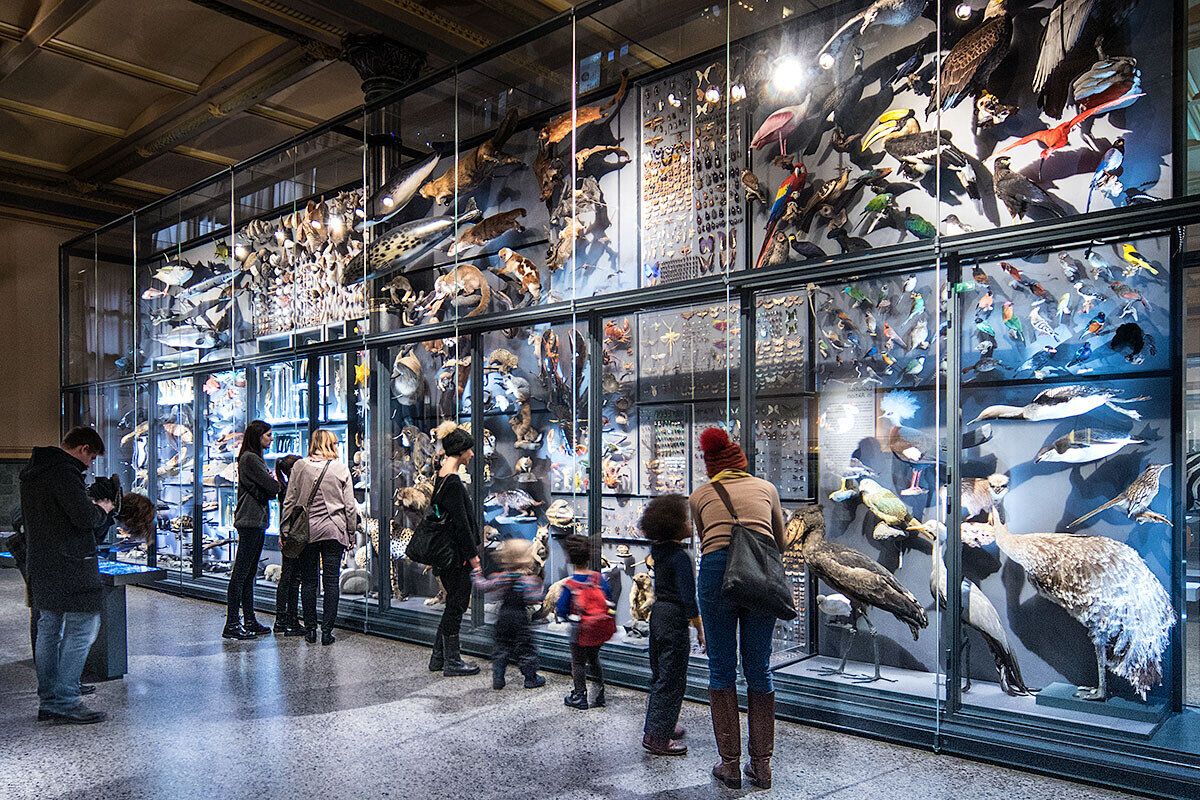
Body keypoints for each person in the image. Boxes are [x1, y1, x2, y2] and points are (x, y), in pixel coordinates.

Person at [689, 427, 787, 790]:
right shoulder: (767, 489)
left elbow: (705, 540)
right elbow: (780, 540)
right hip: (759, 571)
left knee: (721, 668)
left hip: (716, 571)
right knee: (759, 666)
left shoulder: (700, 495)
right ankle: (761, 767)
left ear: (711, 466)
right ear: (741, 463)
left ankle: (729, 765)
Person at [20, 426, 115, 724]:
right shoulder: (64, 473)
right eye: (92, 458)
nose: (90, 465)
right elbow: (83, 517)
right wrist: (102, 508)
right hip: (71, 566)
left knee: (48, 628)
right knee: (83, 628)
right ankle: (66, 699)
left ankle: (49, 699)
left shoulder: (34, 471)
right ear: (83, 448)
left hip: (43, 564)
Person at [641, 494, 705, 756]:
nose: (691, 524)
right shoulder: (681, 557)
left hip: (658, 614)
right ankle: (658, 737)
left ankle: (660, 725)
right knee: (673, 677)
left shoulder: (659, 550)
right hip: (674, 617)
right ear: (675, 525)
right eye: (686, 520)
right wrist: (700, 627)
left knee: (660, 674)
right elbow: (689, 598)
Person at [283, 430, 356, 646]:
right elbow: (349, 506)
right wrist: (351, 532)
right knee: (331, 581)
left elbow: (290, 499)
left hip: (307, 532)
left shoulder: (300, 466)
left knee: (309, 581)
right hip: (334, 530)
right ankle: (327, 632)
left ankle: (310, 630)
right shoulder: (341, 469)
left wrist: (285, 528)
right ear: (332, 445)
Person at [428, 426, 482, 676]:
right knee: (457, 606)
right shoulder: (453, 483)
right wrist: (474, 560)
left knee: (453, 604)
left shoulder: (440, 476)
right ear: (460, 451)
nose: (471, 454)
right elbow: (461, 525)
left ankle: (439, 658)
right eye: (469, 449)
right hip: (456, 556)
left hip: (447, 553)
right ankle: (452, 662)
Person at [225, 420, 279, 640]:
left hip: (254, 520)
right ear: (258, 437)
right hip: (250, 521)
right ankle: (232, 623)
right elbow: (273, 488)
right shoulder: (250, 459)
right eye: (267, 435)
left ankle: (248, 619)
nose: (271, 438)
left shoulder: (252, 458)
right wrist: (273, 481)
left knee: (248, 574)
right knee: (241, 573)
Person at [470, 538, 545, 690]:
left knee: (501, 648)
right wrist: (539, 590)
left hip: (503, 618)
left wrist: (476, 574)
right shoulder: (526, 580)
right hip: (520, 619)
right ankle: (531, 678)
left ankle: (498, 678)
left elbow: (484, 586)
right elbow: (532, 599)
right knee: (526, 649)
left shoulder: (502, 577)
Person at [557, 534, 613, 710]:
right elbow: (609, 597)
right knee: (594, 659)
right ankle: (598, 696)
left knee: (579, 662)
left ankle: (579, 696)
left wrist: (565, 616)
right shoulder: (598, 578)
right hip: (597, 627)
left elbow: (562, 607)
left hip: (579, 628)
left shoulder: (571, 583)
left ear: (570, 558)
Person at [272, 454, 305, 637]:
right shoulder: (293, 490)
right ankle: (291, 620)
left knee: (287, 578)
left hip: (287, 536)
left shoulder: (284, 488)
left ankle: (281, 619)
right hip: (295, 536)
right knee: (294, 579)